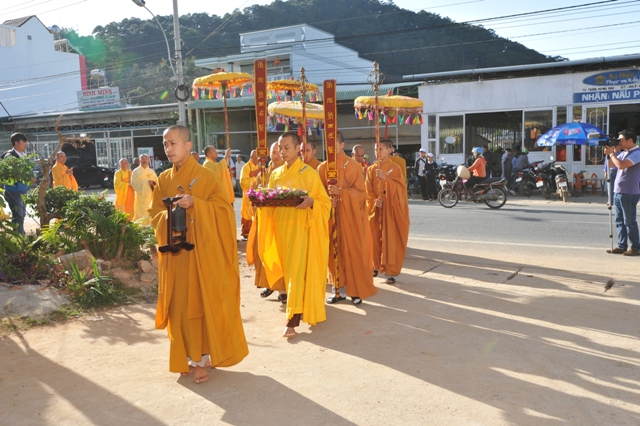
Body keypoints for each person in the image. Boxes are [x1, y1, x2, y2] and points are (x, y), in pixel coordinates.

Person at [148, 124, 248, 384]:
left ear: (188, 145)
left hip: (201, 254)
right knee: (178, 307)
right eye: (165, 144)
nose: (168, 149)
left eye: (173, 143)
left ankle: (201, 360)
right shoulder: (164, 179)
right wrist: (170, 214)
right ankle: (183, 357)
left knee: (199, 305)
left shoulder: (206, 176)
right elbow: (154, 213)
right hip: (175, 255)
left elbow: (224, 211)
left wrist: (197, 205)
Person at [256, 132, 330, 338]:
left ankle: (292, 320)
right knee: (290, 274)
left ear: (298, 149)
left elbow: (325, 203)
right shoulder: (276, 174)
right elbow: (271, 203)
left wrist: (312, 202)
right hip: (281, 229)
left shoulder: (309, 173)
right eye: (280, 148)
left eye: (287, 147)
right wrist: (260, 199)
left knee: (295, 274)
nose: (282, 152)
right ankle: (301, 308)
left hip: (300, 230)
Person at [318, 131, 377, 305]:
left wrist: (341, 193)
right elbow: (318, 193)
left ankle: (355, 291)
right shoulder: (322, 168)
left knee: (353, 253)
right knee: (333, 254)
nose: (330, 148)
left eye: (334, 144)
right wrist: (327, 201)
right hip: (331, 219)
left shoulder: (352, 166)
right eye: (327, 144)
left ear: (342, 145)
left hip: (350, 219)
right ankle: (338, 290)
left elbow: (361, 193)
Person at [366, 139, 410, 284]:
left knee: (391, 241)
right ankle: (376, 265)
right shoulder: (371, 170)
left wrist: (386, 179)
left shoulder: (395, 168)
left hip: (391, 211)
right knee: (374, 239)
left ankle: (391, 273)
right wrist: (374, 201)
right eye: (375, 150)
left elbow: (401, 190)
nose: (377, 152)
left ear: (389, 150)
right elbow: (368, 192)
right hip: (376, 210)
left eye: (381, 149)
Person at [246, 142, 286, 299]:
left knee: (280, 253)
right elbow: (253, 190)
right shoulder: (264, 172)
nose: (275, 155)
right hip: (265, 219)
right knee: (264, 251)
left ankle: (282, 289)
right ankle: (269, 284)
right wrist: (257, 194)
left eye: (278, 151)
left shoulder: (287, 171)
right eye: (272, 152)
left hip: (281, 219)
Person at [604, 130, 640, 256]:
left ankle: (636, 247)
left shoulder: (637, 153)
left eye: (621, 140)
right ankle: (622, 245)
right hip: (618, 191)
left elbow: (621, 165)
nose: (619, 142)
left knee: (629, 222)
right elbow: (611, 165)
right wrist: (612, 152)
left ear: (630, 140)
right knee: (619, 221)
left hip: (629, 192)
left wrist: (612, 154)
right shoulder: (624, 153)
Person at [1, 133, 30, 234]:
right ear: (16, 143)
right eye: (23, 141)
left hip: (23, 190)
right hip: (14, 191)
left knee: (22, 214)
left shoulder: (23, 156)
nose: (26, 144)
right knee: (18, 215)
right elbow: (10, 174)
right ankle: (18, 235)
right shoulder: (9, 157)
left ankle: (20, 234)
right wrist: (27, 177)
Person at [130, 154, 157, 225]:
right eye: (142, 159)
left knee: (150, 211)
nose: (144, 160)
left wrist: (153, 184)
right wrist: (147, 182)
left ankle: (150, 225)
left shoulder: (152, 172)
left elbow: (157, 183)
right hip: (140, 197)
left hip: (150, 196)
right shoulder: (136, 171)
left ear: (148, 161)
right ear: (139, 160)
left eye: (146, 159)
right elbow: (134, 183)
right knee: (140, 212)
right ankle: (140, 226)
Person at [239, 150, 260, 240]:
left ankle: (256, 232)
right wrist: (253, 177)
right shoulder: (246, 167)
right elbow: (243, 181)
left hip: (258, 194)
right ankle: (246, 233)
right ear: (251, 157)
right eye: (256, 157)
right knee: (247, 213)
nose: (258, 159)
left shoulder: (259, 166)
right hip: (248, 194)